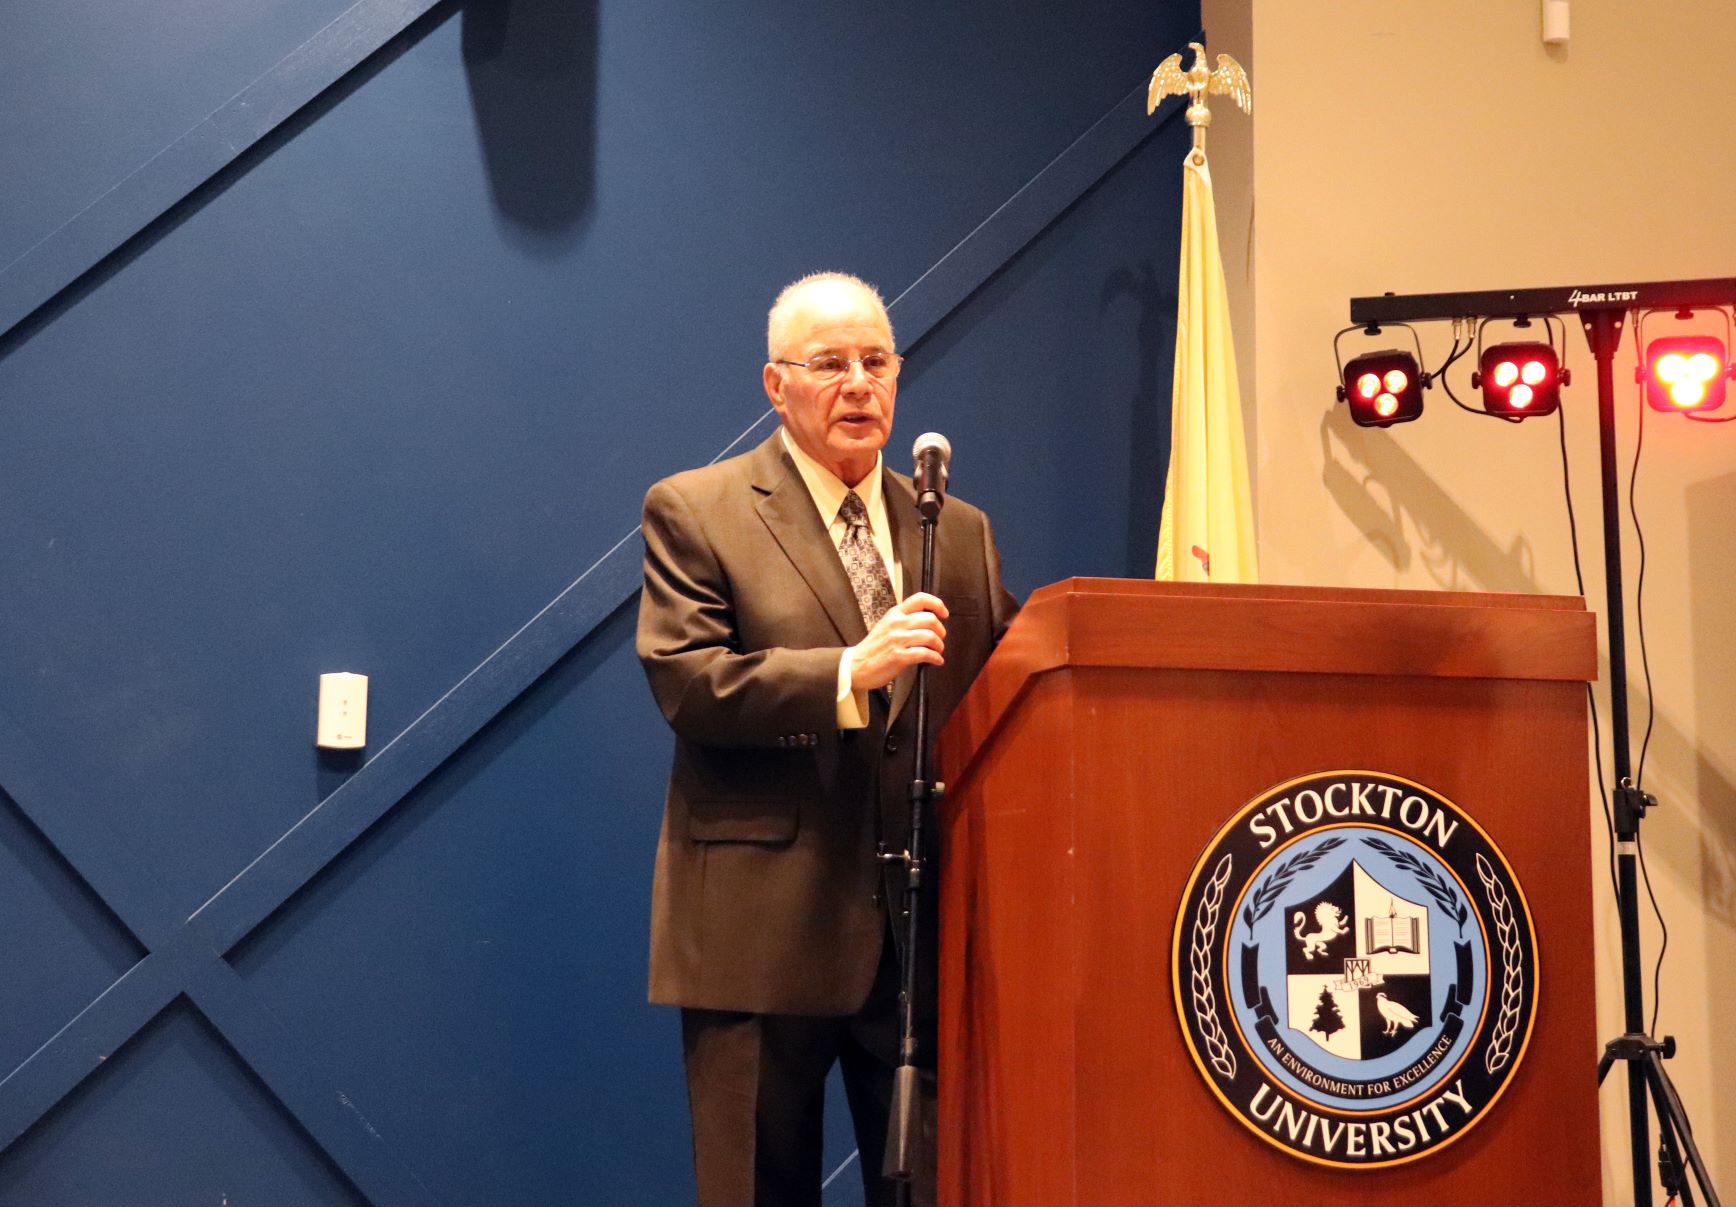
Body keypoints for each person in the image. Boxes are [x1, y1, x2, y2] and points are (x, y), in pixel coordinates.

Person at [636, 271, 1018, 1207]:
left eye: (876, 361)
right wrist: (850, 670)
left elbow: (1001, 694)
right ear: (776, 384)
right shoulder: (698, 509)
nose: (859, 384)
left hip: (918, 942)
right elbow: (690, 682)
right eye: (831, 363)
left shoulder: (955, 530)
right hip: (760, 938)